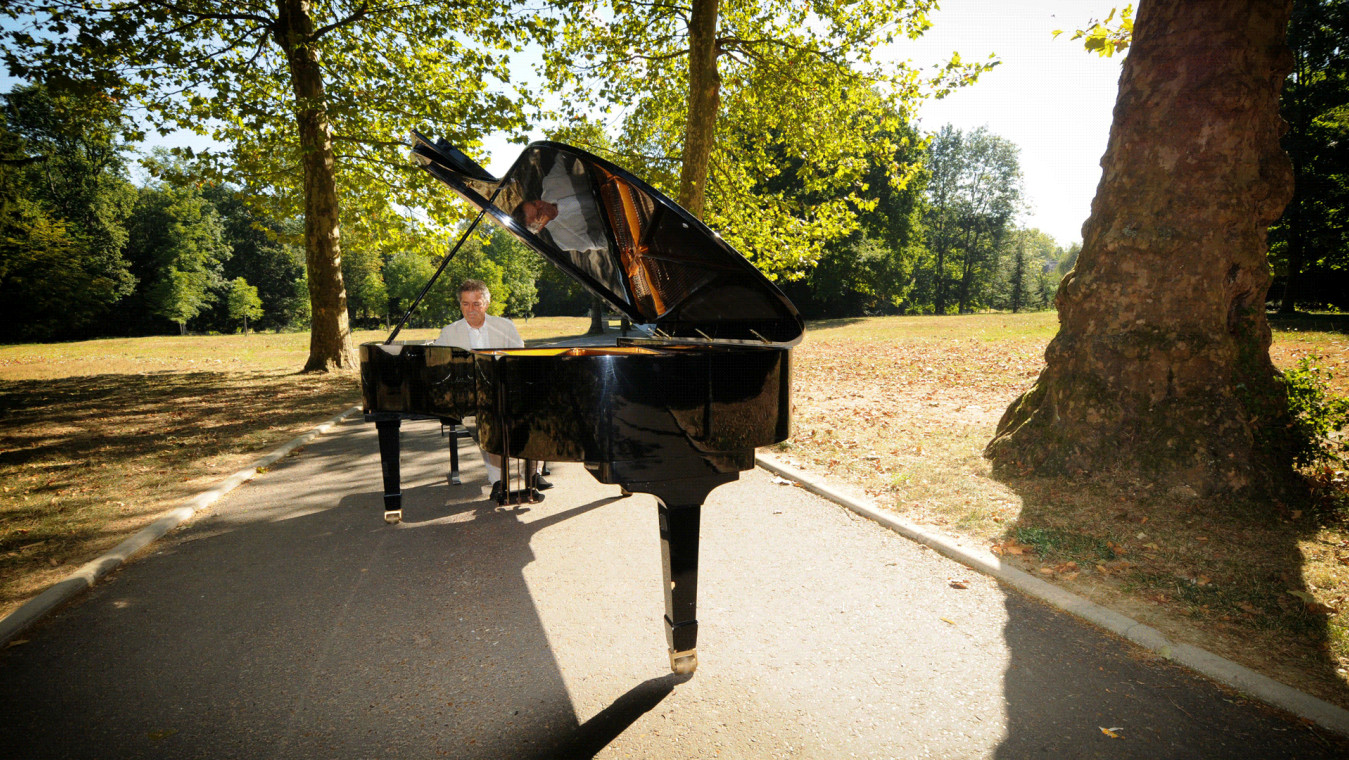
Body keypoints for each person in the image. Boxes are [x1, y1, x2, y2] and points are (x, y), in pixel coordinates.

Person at [434, 279, 551, 500]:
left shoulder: (505, 326)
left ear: (487, 303)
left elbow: (520, 358)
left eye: (476, 304)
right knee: (487, 418)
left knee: (536, 410)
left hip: (508, 389)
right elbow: (440, 367)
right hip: (472, 395)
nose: (471, 310)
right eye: (465, 304)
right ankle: (498, 479)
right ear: (460, 305)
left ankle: (533, 473)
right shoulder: (449, 332)